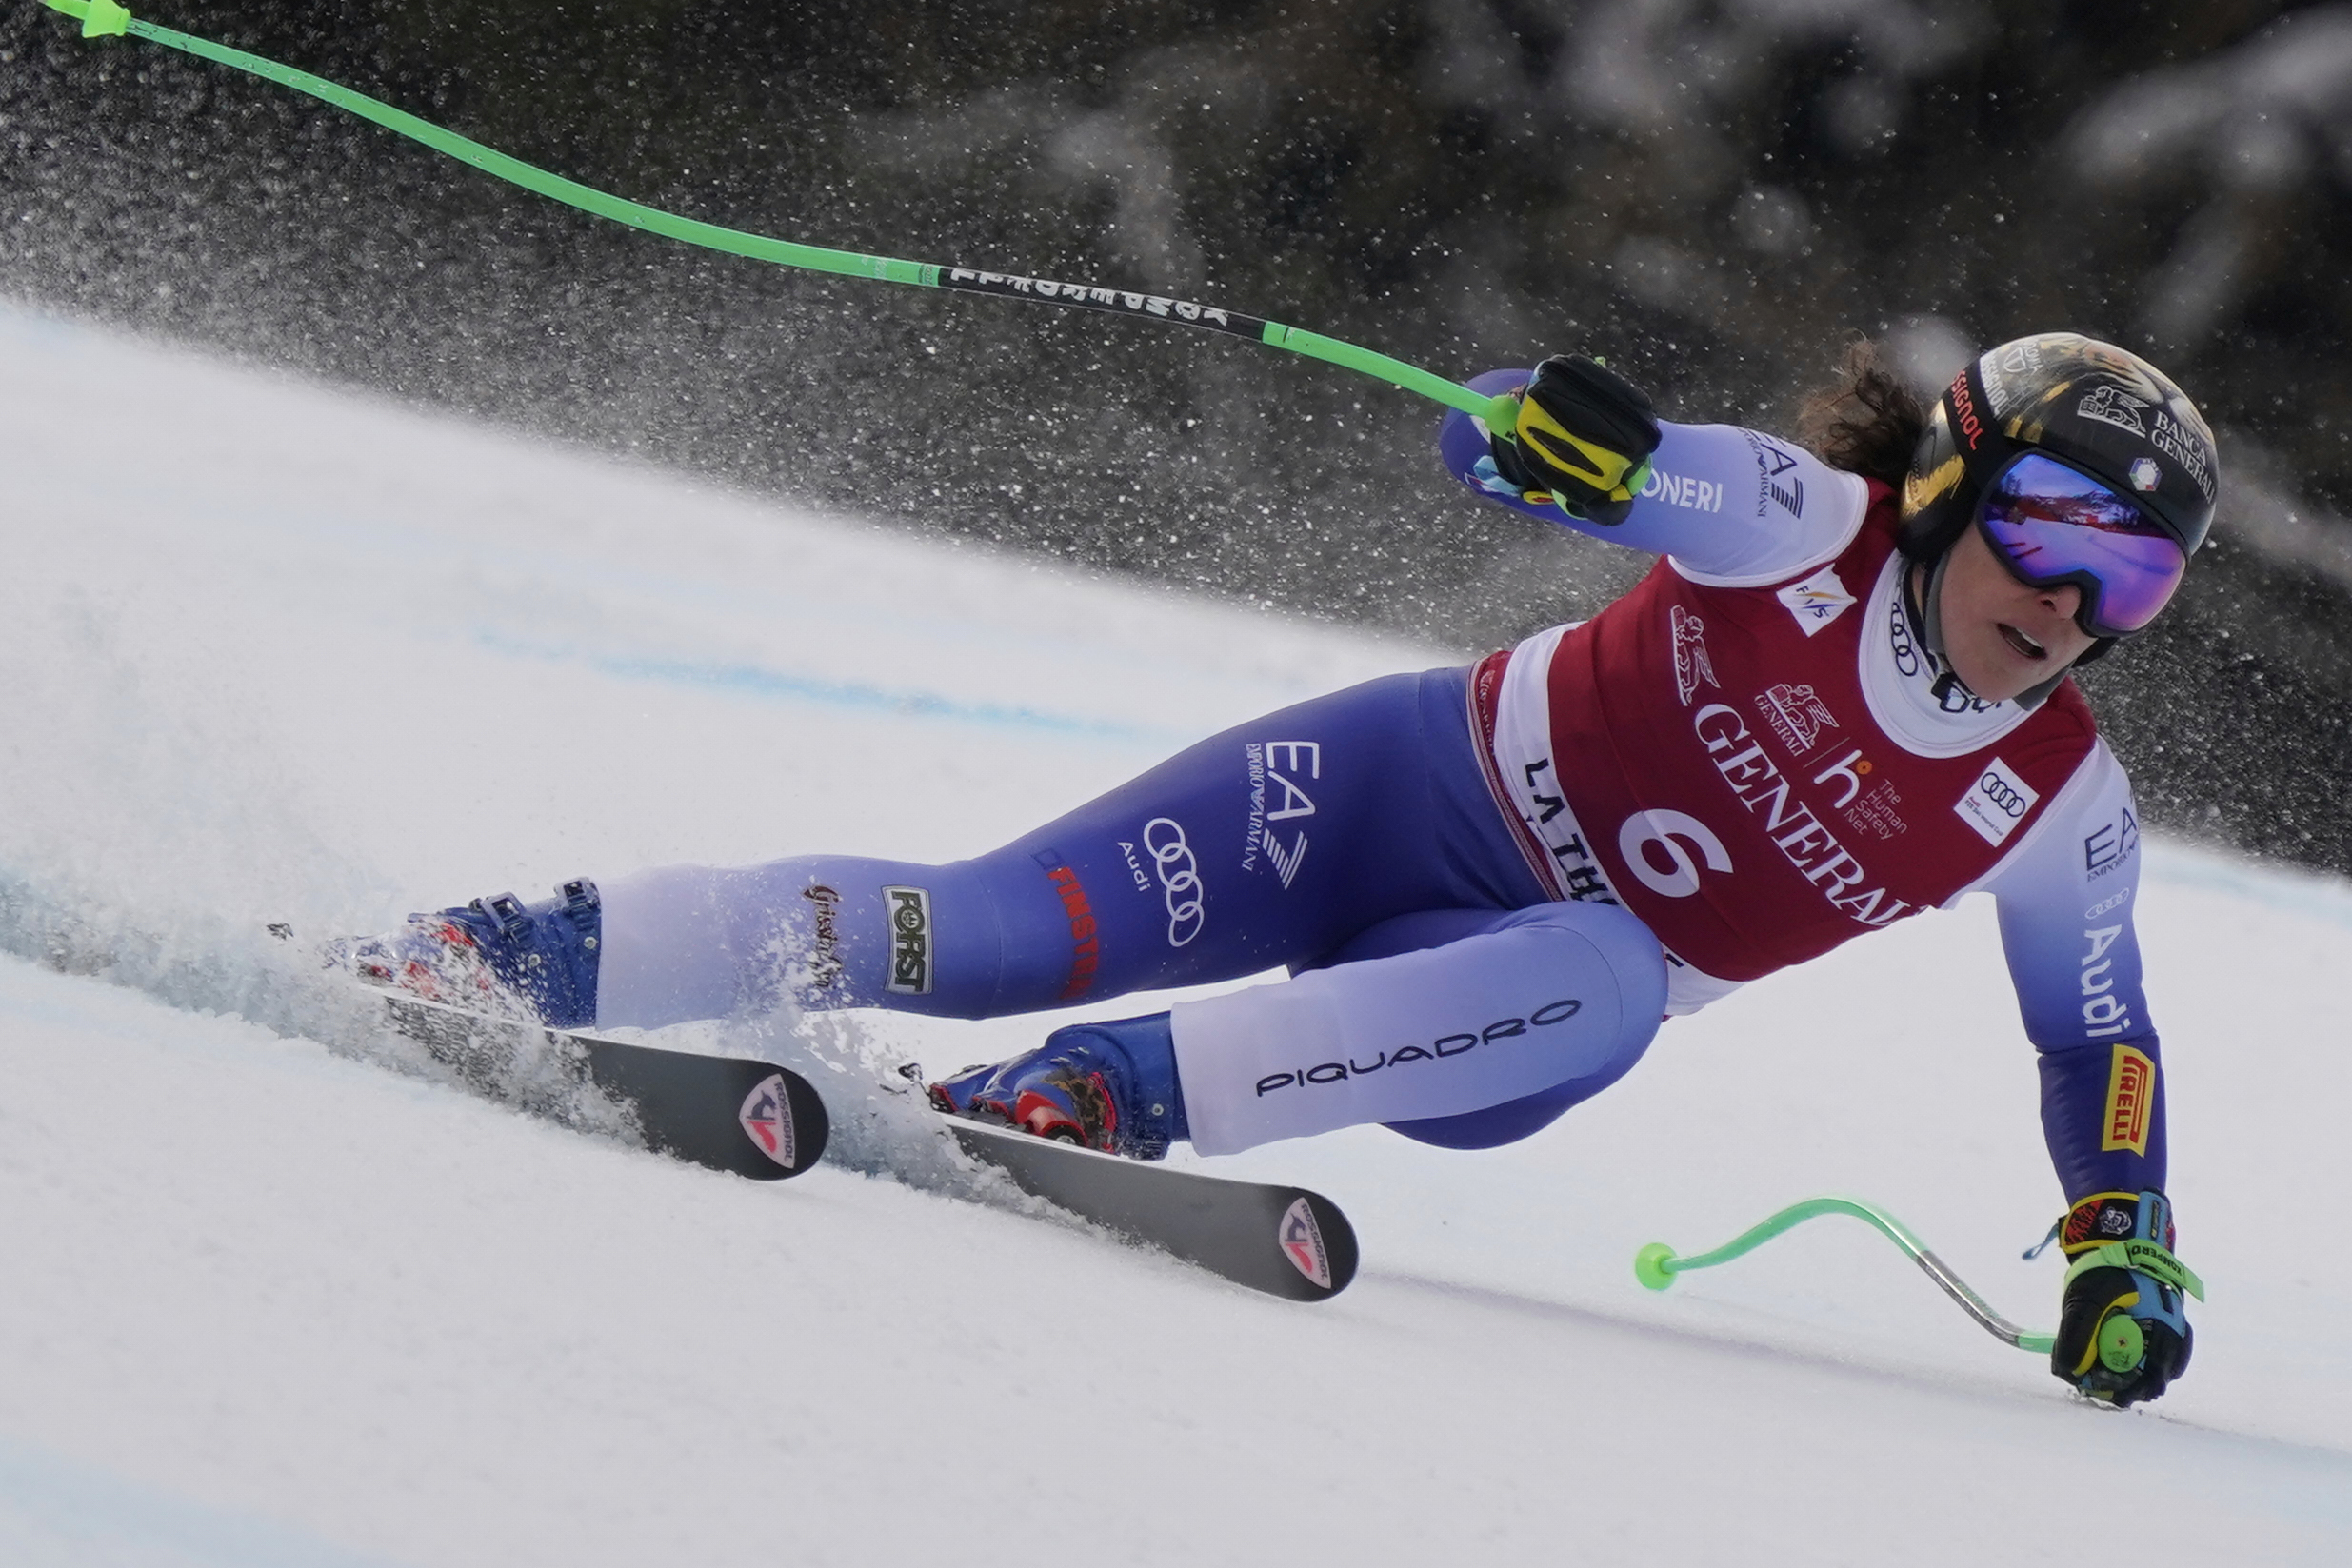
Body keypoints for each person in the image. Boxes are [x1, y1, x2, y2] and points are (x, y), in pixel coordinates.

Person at [347, 332, 2216, 1407]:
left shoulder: (2056, 804)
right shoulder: (1787, 522)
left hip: (1493, 1014)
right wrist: (1533, 434)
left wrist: (2118, 1235)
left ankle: (1114, 1092)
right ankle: (518, 948)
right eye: (2055, 537)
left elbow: (2092, 1042)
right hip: (1372, 791)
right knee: (982, 926)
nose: (2065, 610)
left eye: (2128, 585)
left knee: (1610, 979)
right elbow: (1533, 442)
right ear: (1946, 484)